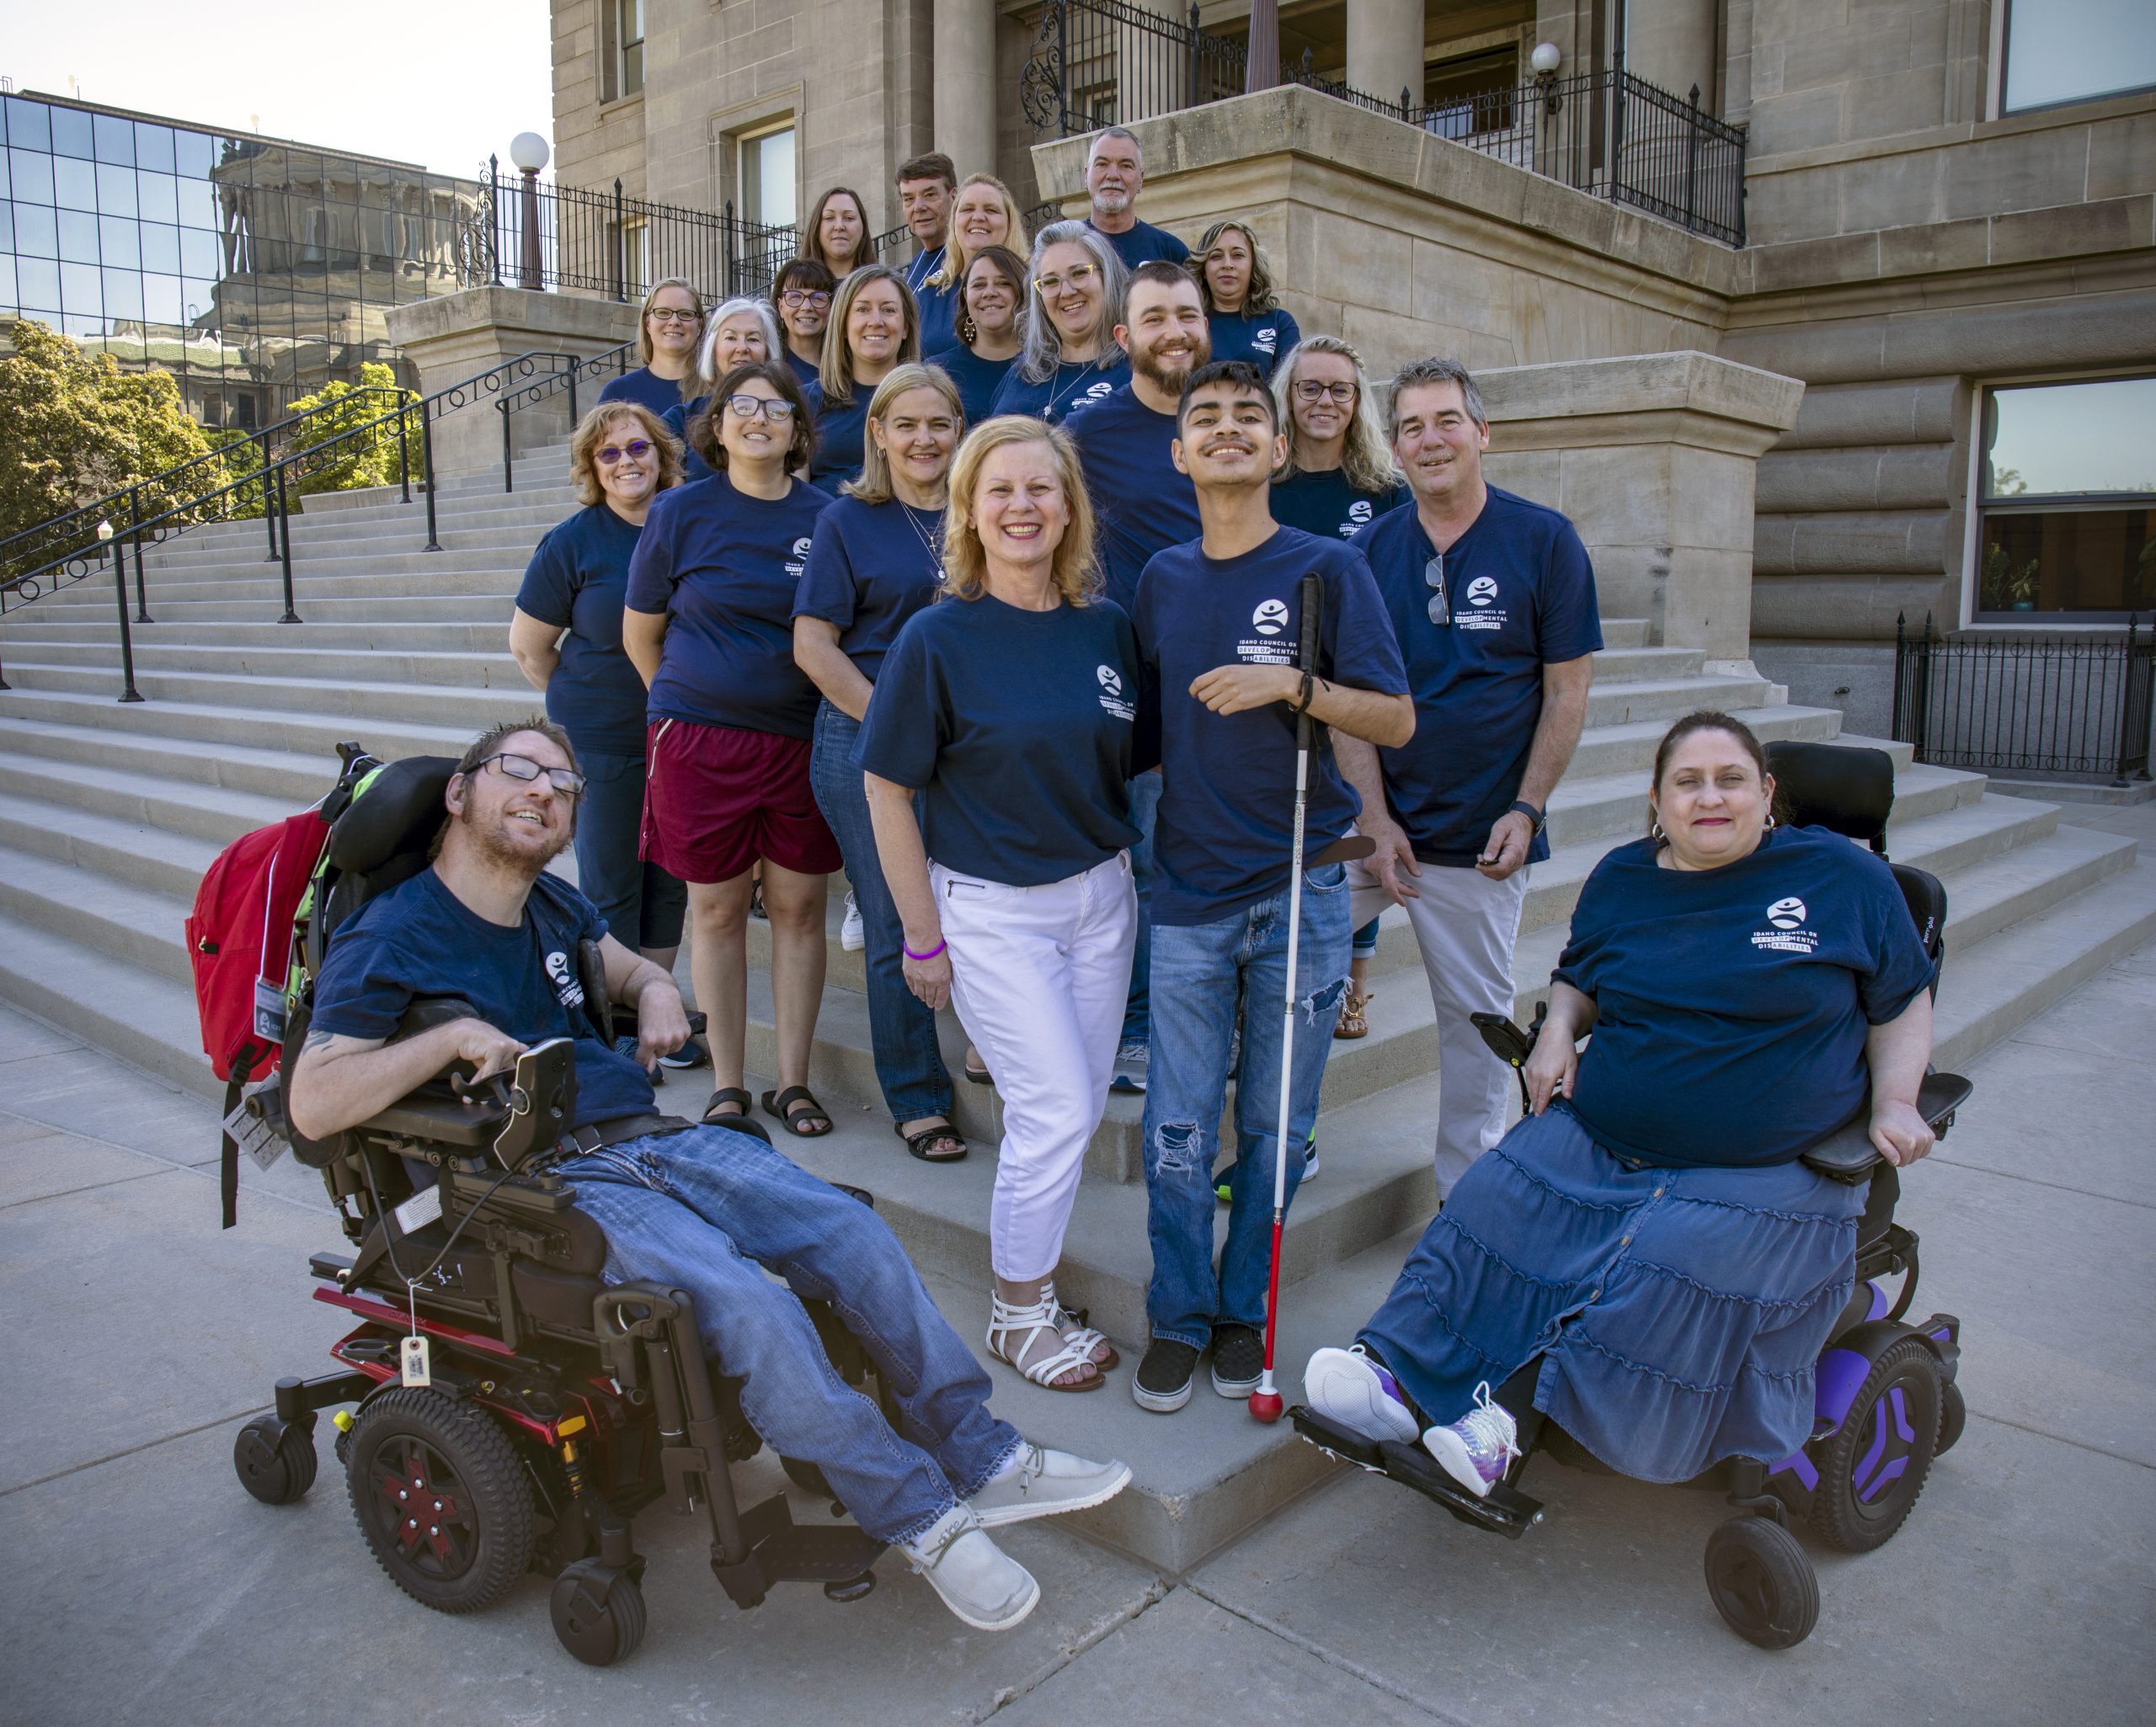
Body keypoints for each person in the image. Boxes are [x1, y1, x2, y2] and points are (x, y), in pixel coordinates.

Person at [286, 717, 1134, 1633]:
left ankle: (982, 1455)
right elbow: (314, 1100)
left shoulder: (554, 909)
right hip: (540, 1178)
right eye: (519, 771)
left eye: (563, 786)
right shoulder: (392, 935)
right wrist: (448, 1039)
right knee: (747, 1303)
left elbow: (628, 974)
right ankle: (921, 1516)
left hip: (650, 1134)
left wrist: (654, 994)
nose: (543, 792)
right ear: (459, 793)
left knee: (851, 1229)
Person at [1302, 710, 1939, 1498]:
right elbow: (1580, 975)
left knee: (1663, 1253)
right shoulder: (1624, 877)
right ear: (1657, 798)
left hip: (1767, 1170)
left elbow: (1902, 998)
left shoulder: (1845, 879)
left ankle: (1509, 1419)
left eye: (1731, 779)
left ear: (1767, 793)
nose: (1711, 797)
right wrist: (1560, 1027)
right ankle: (1398, 1377)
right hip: (1607, 1134)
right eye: (1689, 782)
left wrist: (1899, 1101)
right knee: (1494, 1196)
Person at [1129, 360, 1413, 1415]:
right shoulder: (1159, 578)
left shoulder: (1326, 568)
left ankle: (1244, 1308)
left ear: (1279, 447)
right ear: (1180, 451)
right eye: (1205, 417)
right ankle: (1178, 1312)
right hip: (1193, 897)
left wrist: (1293, 686)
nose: (1228, 429)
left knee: (1276, 1124)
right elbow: (1137, 733)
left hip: (1301, 889)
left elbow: (1394, 717)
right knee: (1176, 1128)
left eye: (1250, 415)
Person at [859, 418, 1140, 1394]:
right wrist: (920, 938)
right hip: (990, 911)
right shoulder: (937, 636)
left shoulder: (1106, 628)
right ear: (969, 513)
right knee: (1055, 1108)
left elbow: (1135, 765)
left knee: (1073, 1103)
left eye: (1041, 489)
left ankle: (1043, 1288)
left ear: (1070, 508)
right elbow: (887, 791)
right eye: (1000, 491)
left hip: (1102, 901)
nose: (1022, 506)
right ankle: (1017, 1313)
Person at [1337, 358, 1600, 1198]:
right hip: (1374, 829)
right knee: (1281, 972)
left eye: (1446, 420)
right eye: (1410, 426)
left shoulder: (1543, 540)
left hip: (1482, 837)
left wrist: (1527, 806)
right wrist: (1372, 818)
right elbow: (1349, 703)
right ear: (1393, 447)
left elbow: (1566, 689)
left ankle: (1467, 1196)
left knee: (1476, 1030)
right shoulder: (1370, 550)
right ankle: (1279, 1145)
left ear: (1481, 432)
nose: (1430, 439)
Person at [622, 360, 841, 1143]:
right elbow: (640, 634)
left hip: (798, 742)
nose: (758, 419)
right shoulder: (679, 512)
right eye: (741, 406)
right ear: (717, 425)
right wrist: (688, 702)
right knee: (714, 910)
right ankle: (725, 1083)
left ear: (797, 429)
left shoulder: (828, 516)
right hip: (698, 742)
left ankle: (792, 1080)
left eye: (775, 409)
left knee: (799, 908)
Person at [792, 364, 969, 1166]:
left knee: (976, 900)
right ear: (879, 434)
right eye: (907, 424)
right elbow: (813, 646)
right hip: (863, 738)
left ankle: (988, 1046)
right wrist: (896, 724)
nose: (925, 439)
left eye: (939, 423)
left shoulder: (980, 511)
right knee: (898, 916)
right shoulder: (848, 520)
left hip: (968, 744)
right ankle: (918, 1096)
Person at [510, 400, 699, 1068]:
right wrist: (586, 700)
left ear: (661, 454)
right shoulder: (574, 540)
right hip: (602, 731)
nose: (627, 462)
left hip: (682, 731)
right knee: (614, 876)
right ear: (593, 465)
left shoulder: (688, 521)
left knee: (671, 874)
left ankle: (661, 1005)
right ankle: (614, 1025)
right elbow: (531, 647)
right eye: (610, 452)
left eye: (638, 448)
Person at [1064, 259, 1209, 1097]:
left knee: (1185, 867)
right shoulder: (1092, 434)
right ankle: (1125, 1023)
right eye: (1155, 318)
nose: (1173, 332)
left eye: (1185, 315)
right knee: (1132, 864)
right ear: (1124, 336)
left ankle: (1174, 1023)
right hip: (1124, 687)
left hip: (1221, 686)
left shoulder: (1228, 417)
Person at [1269, 333, 1412, 1037]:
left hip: (1355, 684)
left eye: (1340, 390)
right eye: (1310, 387)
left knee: (1356, 830)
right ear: (1287, 397)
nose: (1324, 401)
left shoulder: (1384, 490)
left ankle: (1355, 986)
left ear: (1359, 404)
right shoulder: (1266, 479)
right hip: (1276, 680)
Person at [990, 221, 1129, 424]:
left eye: (1080, 273)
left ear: (1107, 277)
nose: (1066, 292)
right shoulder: (1021, 374)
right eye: (1050, 282)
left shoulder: (1135, 371)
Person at [804, 264, 921, 489]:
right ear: (844, 325)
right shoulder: (807, 402)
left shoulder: (931, 401)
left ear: (905, 327)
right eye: (863, 309)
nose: (876, 321)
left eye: (888, 310)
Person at [664, 297, 783, 482]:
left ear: (767, 351)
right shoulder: (681, 419)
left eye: (753, 339)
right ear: (713, 349)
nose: (742, 348)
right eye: (730, 338)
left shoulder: (784, 415)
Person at [916, 173, 1027, 357]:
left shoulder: (1034, 287)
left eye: (991, 210)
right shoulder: (928, 295)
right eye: (968, 209)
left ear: (1009, 223)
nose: (978, 217)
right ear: (954, 221)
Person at [1194, 220, 1299, 381]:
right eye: (1216, 256)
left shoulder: (1279, 323)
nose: (1227, 264)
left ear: (1253, 265)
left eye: (1238, 255)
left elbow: (1290, 388)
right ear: (1203, 270)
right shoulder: (1189, 324)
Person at [938, 245, 1026, 426]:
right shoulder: (938, 372)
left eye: (1003, 283)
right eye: (979, 285)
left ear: (1023, 292)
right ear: (965, 295)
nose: (990, 293)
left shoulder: (1048, 367)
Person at [1084, 125, 1189, 269]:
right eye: (1102, 164)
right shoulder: (1062, 246)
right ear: (1086, 175)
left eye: (1126, 166)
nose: (1113, 175)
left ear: (1141, 179)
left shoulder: (1171, 253)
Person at [598, 277, 702, 418]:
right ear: (648, 324)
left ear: (700, 326)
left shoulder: (719, 389)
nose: (674, 321)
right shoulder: (617, 393)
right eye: (663, 313)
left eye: (685, 314)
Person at [895, 152, 958, 356]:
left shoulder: (969, 263)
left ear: (954, 196)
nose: (919, 207)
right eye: (909, 199)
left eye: (930, 195)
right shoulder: (916, 266)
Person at [771, 258, 836, 388]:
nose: (806, 307)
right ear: (780, 307)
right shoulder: (770, 368)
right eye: (795, 296)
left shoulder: (847, 367)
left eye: (818, 297)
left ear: (832, 306)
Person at [798, 185, 872, 279]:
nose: (839, 226)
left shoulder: (881, 286)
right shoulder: (793, 289)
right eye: (829, 217)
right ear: (816, 228)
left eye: (849, 218)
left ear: (863, 227)